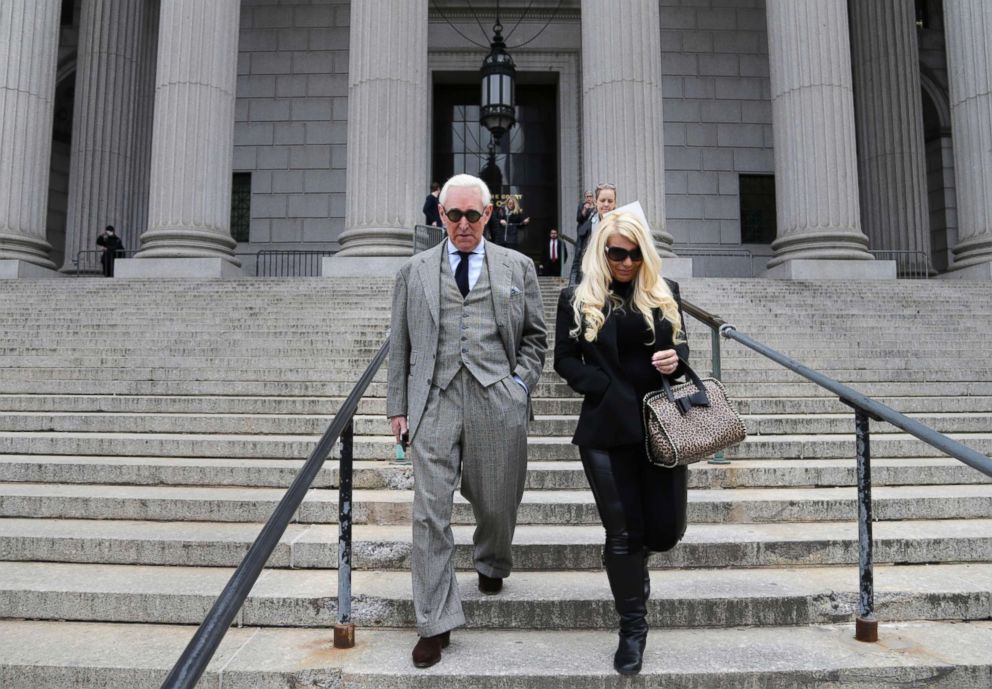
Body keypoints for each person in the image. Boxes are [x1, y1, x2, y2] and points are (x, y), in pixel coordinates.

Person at [386, 173, 547, 669]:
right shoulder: (413, 272)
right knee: (429, 512)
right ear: (440, 216)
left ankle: (492, 559)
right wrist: (398, 407)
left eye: (471, 215)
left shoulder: (517, 266)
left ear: (488, 215)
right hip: (433, 400)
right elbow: (400, 346)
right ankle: (434, 623)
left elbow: (537, 339)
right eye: (452, 215)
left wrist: (519, 386)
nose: (462, 224)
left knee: (498, 501)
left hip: (496, 396)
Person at [553, 211, 690, 676]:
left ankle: (637, 572)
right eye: (616, 253)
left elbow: (682, 351)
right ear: (602, 252)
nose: (626, 262)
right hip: (606, 431)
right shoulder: (577, 297)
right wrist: (602, 387)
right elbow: (564, 360)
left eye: (633, 253)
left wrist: (677, 361)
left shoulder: (664, 293)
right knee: (622, 533)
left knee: (664, 531)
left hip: (662, 427)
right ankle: (633, 627)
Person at [569, 182, 617, 286]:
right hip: (591, 280)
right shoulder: (590, 223)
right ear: (596, 202)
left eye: (610, 201)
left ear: (615, 203)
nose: (606, 204)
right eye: (602, 200)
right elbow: (578, 259)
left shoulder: (622, 223)